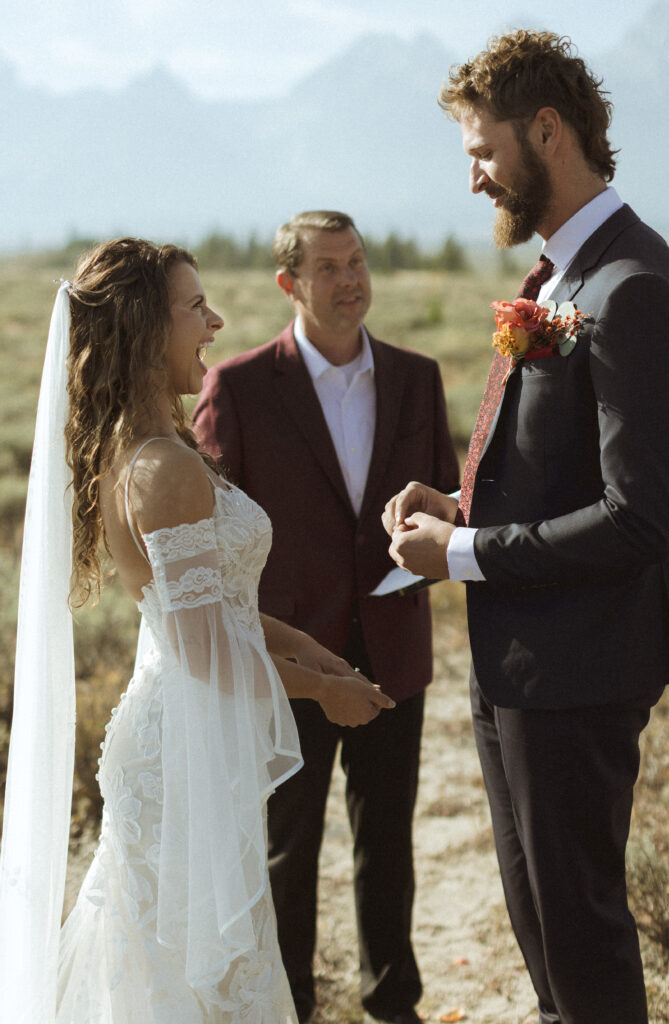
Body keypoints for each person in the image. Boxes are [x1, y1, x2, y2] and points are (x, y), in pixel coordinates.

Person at [383, 31, 669, 1024]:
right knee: (539, 927)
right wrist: (460, 507)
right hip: (519, 661)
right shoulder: (556, 279)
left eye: (482, 149)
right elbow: (553, 462)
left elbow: (634, 518)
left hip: (582, 668)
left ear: (547, 130)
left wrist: (464, 556)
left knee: (581, 935)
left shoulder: (631, 287)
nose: (473, 176)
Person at [0, 237, 394, 1024]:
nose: (215, 321)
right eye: (195, 308)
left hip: (182, 745)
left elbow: (215, 612)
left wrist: (313, 651)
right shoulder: (160, 469)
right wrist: (323, 692)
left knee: (170, 969)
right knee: (193, 977)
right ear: (146, 329)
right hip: (177, 758)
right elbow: (205, 650)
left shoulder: (152, 451)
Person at [193, 211, 459, 1024]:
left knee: (389, 845)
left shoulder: (417, 377)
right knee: (286, 848)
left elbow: (449, 495)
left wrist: (436, 528)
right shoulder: (237, 386)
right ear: (289, 284)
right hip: (286, 663)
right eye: (328, 267)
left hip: (391, 645)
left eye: (357, 262)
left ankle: (393, 1004)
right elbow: (206, 524)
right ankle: (290, 1006)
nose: (350, 280)